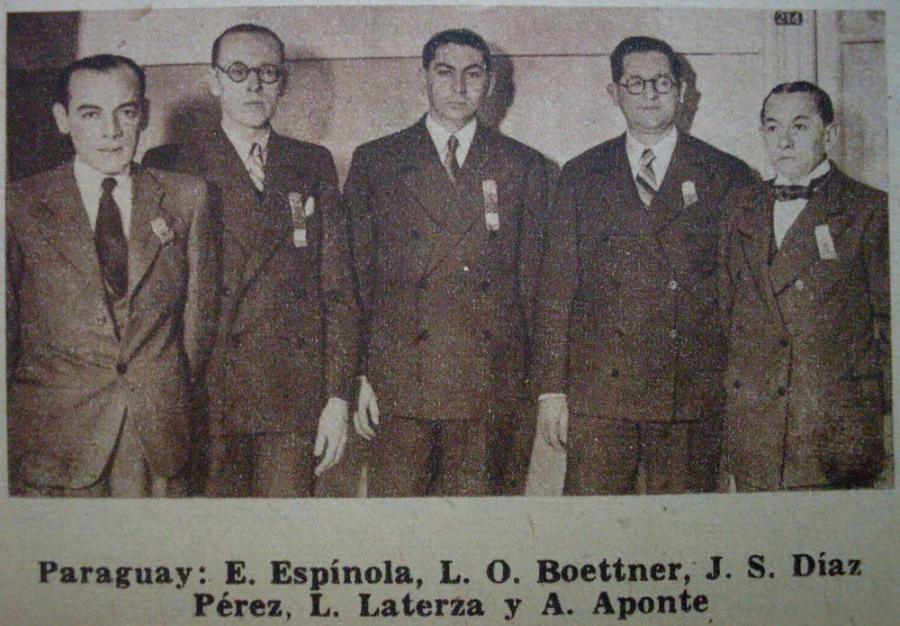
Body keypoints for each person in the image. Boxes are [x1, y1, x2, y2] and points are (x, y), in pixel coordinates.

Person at [533, 36, 754, 495]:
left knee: (682, 537)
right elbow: (556, 291)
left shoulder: (725, 174)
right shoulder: (580, 174)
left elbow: (741, 297)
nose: (650, 94)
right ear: (614, 92)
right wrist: (552, 391)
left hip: (690, 392)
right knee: (591, 533)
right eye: (636, 83)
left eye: (662, 82)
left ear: (684, 91)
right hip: (600, 392)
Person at [143, 24, 358, 497]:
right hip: (207, 396)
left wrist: (338, 398)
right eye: (239, 72)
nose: (254, 85)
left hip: (293, 400)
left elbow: (337, 291)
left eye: (267, 72)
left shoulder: (312, 163)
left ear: (284, 81)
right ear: (215, 80)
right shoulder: (172, 163)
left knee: (285, 541)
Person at [345, 28, 556, 496]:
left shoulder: (524, 166)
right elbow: (354, 281)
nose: (459, 87)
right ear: (424, 78)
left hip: (490, 388)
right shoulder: (377, 161)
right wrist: (358, 374)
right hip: (399, 386)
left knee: (477, 535)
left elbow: (538, 289)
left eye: (472, 73)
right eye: (445, 72)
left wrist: (539, 387)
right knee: (400, 537)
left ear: (490, 83)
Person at [6, 54, 218, 497]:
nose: (111, 132)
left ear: (143, 116)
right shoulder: (18, 205)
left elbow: (197, 327)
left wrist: (161, 392)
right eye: (91, 114)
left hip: (156, 440)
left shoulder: (186, 198)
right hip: (56, 442)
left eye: (125, 112)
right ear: (62, 120)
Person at [719, 81, 889, 491]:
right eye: (773, 127)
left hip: (830, 434)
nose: (784, 140)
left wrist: (881, 417)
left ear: (829, 134)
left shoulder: (871, 210)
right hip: (756, 431)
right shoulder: (738, 207)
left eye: (799, 126)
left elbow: (890, 327)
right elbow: (726, 313)